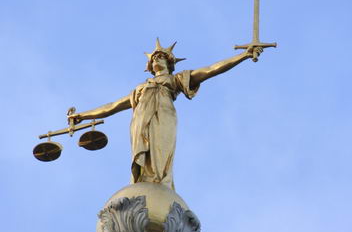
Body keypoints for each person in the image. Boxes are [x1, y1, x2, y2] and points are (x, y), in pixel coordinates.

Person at [68, 39, 262, 189]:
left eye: (160, 57)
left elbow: (211, 70)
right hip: (140, 121)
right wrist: (83, 116)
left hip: (164, 116)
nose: (156, 60)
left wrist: (243, 56)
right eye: (153, 59)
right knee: (143, 154)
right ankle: (144, 181)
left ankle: (160, 184)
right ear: (150, 66)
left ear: (169, 63)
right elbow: (112, 106)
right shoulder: (140, 89)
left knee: (161, 152)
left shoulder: (176, 80)